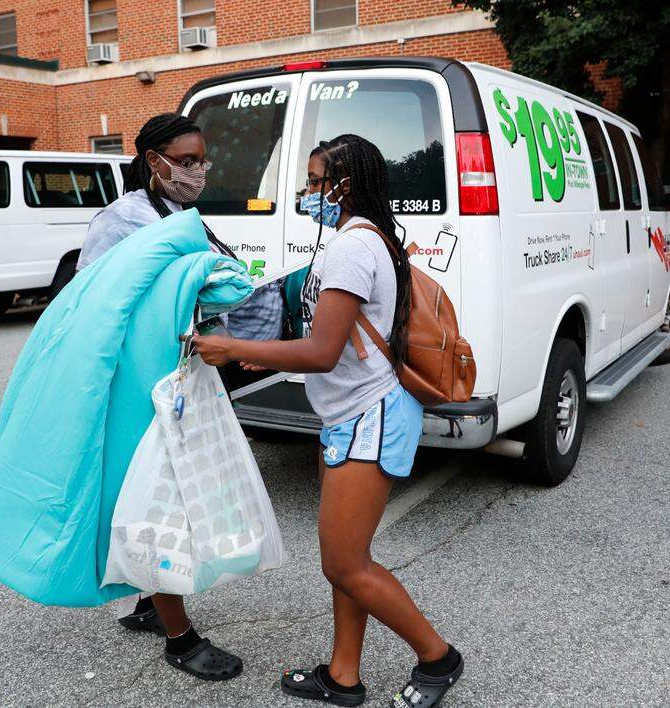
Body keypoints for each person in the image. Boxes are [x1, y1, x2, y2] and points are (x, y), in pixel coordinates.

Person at [193, 134, 464, 707]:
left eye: (316, 181)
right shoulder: (366, 239)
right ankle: (344, 676)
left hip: (370, 415)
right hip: (347, 414)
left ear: (345, 184)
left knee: (345, 563)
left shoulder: (352, 248)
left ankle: (438, 657)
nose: (308, 192)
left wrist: (235, 346)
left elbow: (320, 350)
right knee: (347, 562)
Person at [77, 113, 286, 682]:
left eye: (202, 161)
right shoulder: (121, 221)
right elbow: (93, 304)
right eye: (187, 161)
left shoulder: (181, 216)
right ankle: (179, 635)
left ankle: (148, 600)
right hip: (145, 387)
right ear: (154, 161)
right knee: (164, 498)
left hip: (184, 376)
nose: (198, 171)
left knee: (167, 492)